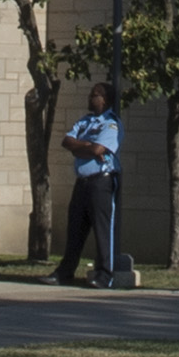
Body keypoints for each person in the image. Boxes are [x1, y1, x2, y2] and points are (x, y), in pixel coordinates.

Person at [53, 85, 125, 286]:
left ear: (105, 99)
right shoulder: (85, 121)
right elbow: (67, 141)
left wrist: (83, 147)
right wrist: (85, 146)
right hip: (82, 181)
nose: (90, 97)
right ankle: (64, 272)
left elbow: (98, 149)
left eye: (94, 95)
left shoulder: (111, 124)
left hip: (102, 180)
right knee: (75, 228)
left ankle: (104, 275)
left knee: (103, 229)